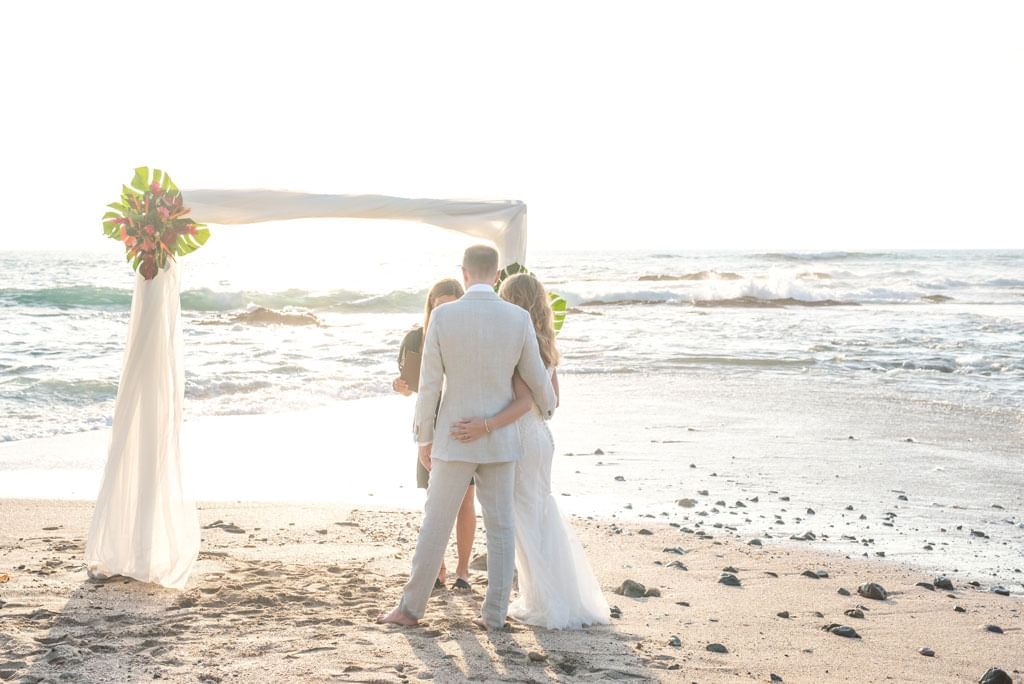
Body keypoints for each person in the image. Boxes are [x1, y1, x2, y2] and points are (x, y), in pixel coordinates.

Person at [378, 245, 557, 630]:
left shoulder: (442, 316)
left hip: (453, 436)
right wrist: (549, 406)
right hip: (501, 439)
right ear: (496, 274)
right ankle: (493, 615)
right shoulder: (518, 318)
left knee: (435, 524)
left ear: (464, 273)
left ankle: (410, 609)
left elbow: (429, 386)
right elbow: (536, 377)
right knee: (501, 527)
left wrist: (424, 438)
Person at [450, 273, 609, 629]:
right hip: (541, 436)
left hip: (521, 437)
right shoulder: (546, 343)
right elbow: (553, 401)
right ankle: (551, 597)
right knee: (538, 513)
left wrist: (485, 425)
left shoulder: (520, 343)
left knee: (519, 519)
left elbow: (522, 401)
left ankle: (546, 602)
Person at [392, 278, 475, 589]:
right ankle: (438, 568)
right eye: (439, 306)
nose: (445, 313)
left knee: (465, 498)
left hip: (462, 422)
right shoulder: (416, 338)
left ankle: (463, 572)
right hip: (429, 424)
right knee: (434, 500)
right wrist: (401, 387)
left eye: (452, 306)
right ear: (430, 307)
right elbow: (409, 385)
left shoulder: (470, 336)